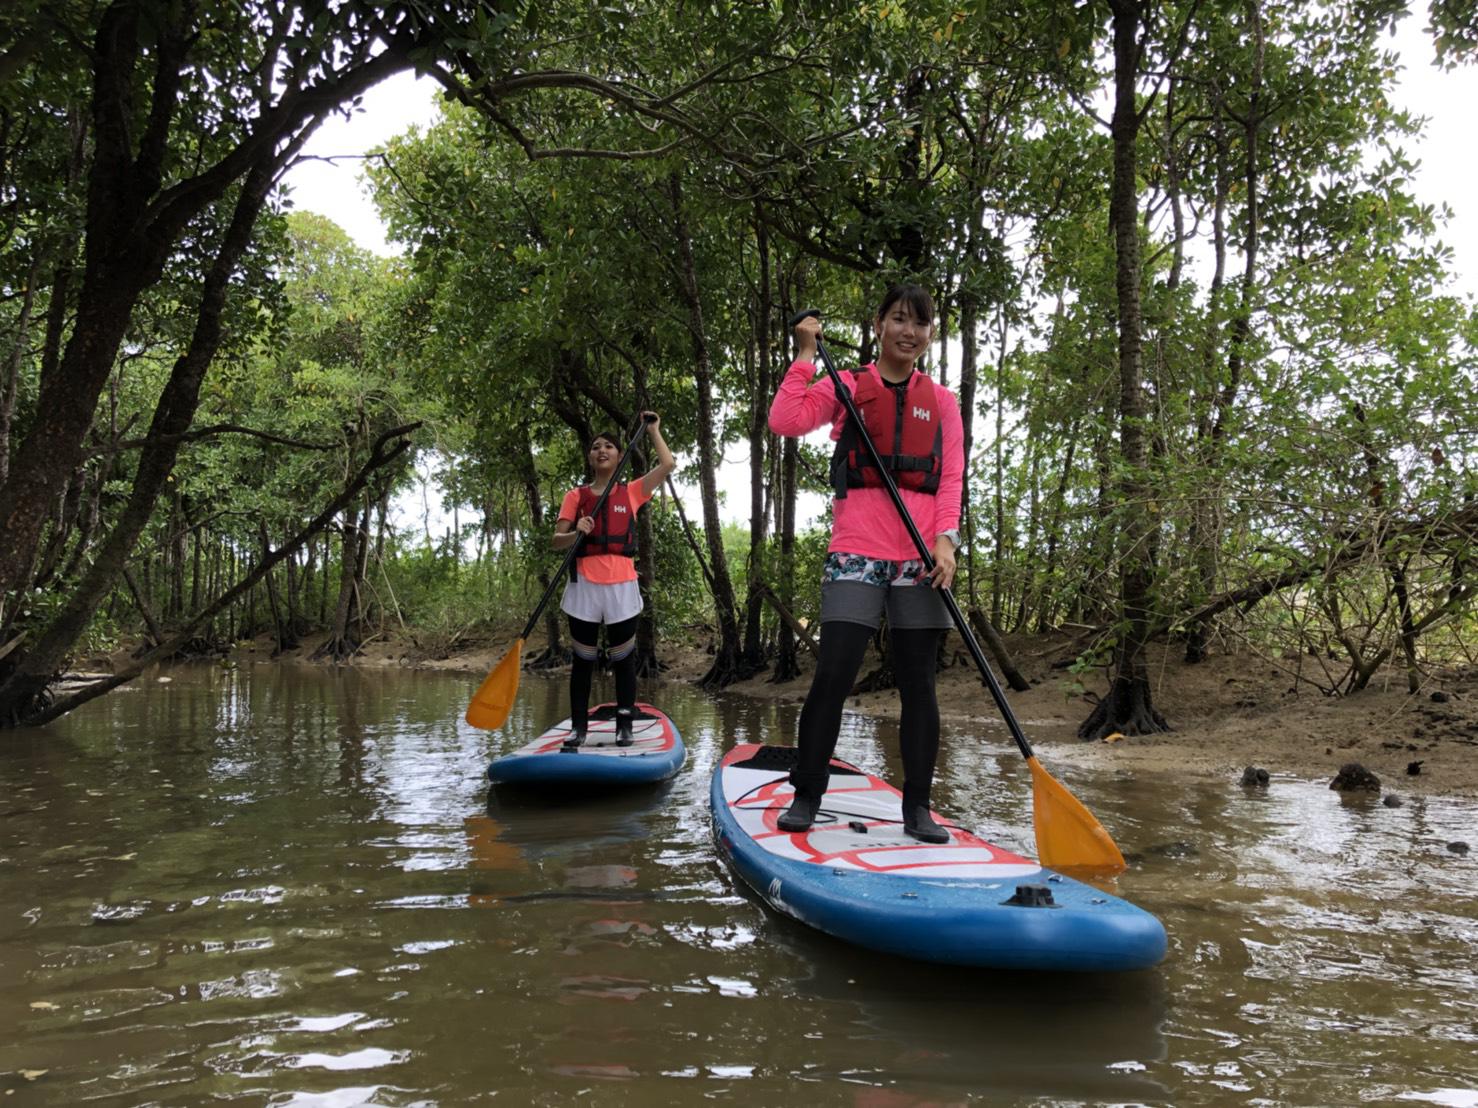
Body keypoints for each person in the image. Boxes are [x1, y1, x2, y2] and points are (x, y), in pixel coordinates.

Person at [767, 286, 964, 843]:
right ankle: (807, 793)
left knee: (919, 684)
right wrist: (805, 354)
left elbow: (950, 478)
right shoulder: (849, 384)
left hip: (922, 557)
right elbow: (785, 421)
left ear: (930, 335)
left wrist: (946, 542)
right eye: (900, 319)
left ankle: (918, 809)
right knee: (833, 675)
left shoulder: (942, 402)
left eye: (921, 324)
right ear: (878, 324)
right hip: (857, 549)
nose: (911, 331)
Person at [553, 413, 675, 750]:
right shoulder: (575, 496)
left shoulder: (632, 491)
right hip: (584, 587)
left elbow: (667, 465)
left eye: (609, 446)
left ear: (619, 456)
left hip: (622, 585)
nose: (601, 450)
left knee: (624, 658)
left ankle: (625, 725)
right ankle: (579, 727)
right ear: (590, 457)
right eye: (595, 447)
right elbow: (556, 541)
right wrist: (576, 530)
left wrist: (653, 430)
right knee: (583, 660)